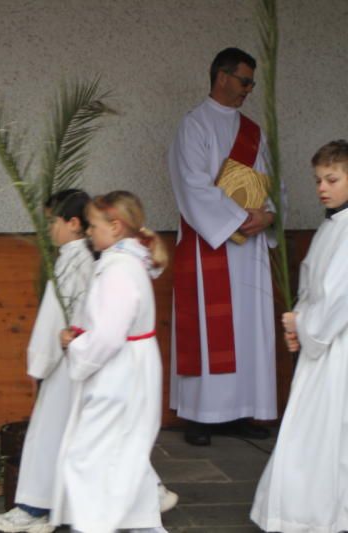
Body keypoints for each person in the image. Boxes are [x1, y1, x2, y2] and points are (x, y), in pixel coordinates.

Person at [168, 47, 277, 446]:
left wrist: (267, 216)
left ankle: (242, 408)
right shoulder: (193, 126)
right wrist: (238, 220)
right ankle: (202, 415)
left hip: (248, 250)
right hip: (208, 244)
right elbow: (191, 185)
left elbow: (271, 180)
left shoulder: (254, 131)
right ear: (222, 77)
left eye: (251, 82)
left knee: (248, 328)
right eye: (245, 80)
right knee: (209, 329)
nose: (249, 89)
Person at [51, 191, 167, 533]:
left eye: (94, 225)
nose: (89, 232)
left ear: (115, 227)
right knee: (124, 456)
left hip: (120, 373)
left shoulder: (118, 269)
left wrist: (76, 346)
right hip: (131, 366)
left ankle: (94, 526)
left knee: (88, 457)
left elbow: (108, 335)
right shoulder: (128, 263)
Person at [250, 140, 348, 533]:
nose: (322, 187)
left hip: (335, 349)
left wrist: (306, 328)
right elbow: (315, 287)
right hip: (320, 342)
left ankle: (314, 514)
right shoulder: (332, 226)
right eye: (318, 180)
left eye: (332, 179)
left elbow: (339, 297)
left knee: (322, 435)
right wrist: (299, 320)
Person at [0, 190, 95, 533]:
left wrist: (38, 365)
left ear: (74, 223)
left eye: (53, 221)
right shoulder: (80, 258)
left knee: (48, 435)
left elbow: (53, 319)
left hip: (66, 362)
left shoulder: (74, 261)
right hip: (76, 359)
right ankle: (55, 508)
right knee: (64, 437)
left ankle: (35, 507)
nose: (48, 228)